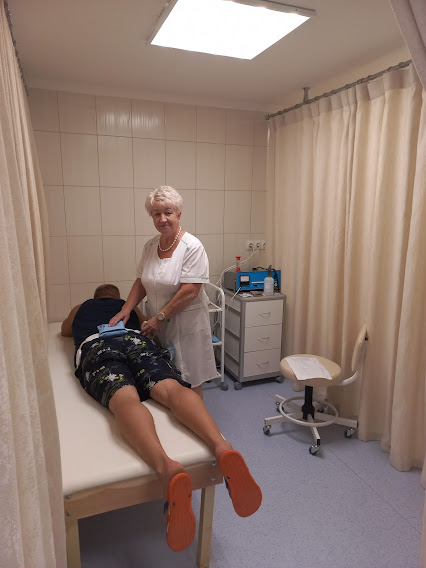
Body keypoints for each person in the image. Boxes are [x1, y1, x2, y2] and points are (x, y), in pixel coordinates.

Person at [61, 284, 262, 553]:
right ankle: (222, 446)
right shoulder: (130, 309)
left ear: (96, 296)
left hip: (99, 346)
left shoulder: (82, 307)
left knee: (125, 399)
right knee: (172, 390)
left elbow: (64, 330)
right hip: (137, 342)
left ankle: (166, 468)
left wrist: (81, 314)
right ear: (117, 296)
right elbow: (149, 328)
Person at [109, 185, 216, 398]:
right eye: (156, 214)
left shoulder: (192, 246)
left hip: (186, 325)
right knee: (165, 376)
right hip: (158, 323)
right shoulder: (151, 246)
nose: (163, 219)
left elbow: (190, 291)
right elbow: (141, 282)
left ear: (178, 214)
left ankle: (195, 416)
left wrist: (159, 319)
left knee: (190, 379)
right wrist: (126, 309)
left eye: (168, 212)